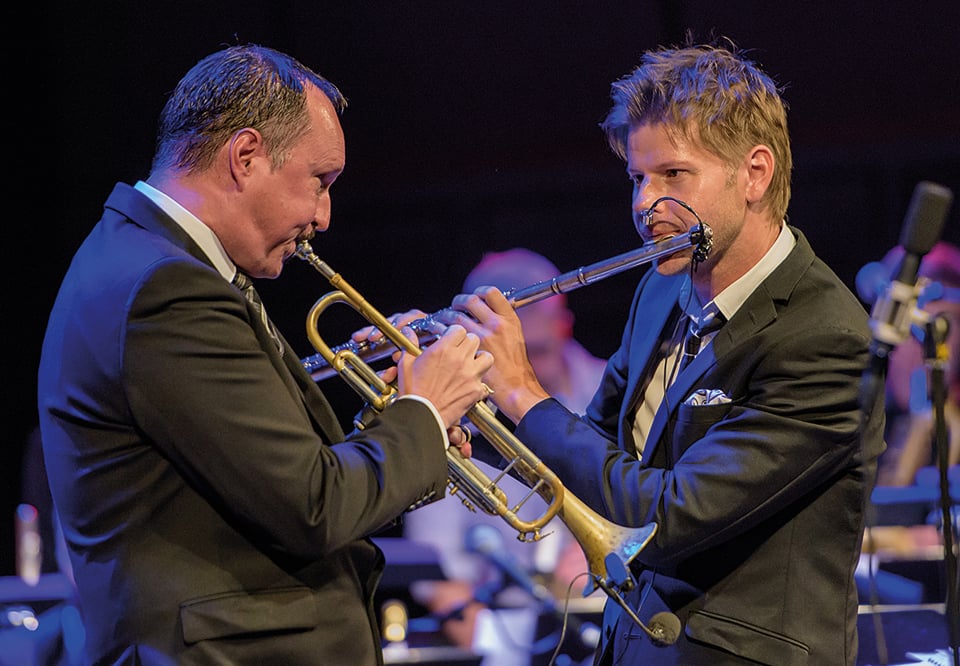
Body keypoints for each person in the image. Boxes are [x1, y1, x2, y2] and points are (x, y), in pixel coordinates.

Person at [36, 43, 493, 666]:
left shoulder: (163, 264)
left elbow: (270, 489)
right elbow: (313, 509)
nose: (324, 215)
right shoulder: (164, 288)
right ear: (246, 155)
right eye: (320, 181)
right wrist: (422, 413)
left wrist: (400, 431)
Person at [443, 41, 886, 665]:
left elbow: (664, 520)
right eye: (636, 178)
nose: (643, 205)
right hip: (634, 644)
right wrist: (463, 414)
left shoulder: (828, 340)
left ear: (754, 174)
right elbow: (590, 451)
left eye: (673, 176)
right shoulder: (660, 290)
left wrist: (522, 392)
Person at [401, 248, 607, 655]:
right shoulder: (453, 415)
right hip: (500, 625)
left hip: (608, 609)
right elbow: (439, 574)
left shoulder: (610, 387)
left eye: (538, 351)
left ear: (565, 326)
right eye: (511, 354)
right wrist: (502, 650)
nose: (522, 373)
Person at [874, 241, 960, 488]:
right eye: (912, 328)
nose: (924, 348)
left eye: (944, 330)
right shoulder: (851, 410)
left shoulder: (953, 426)